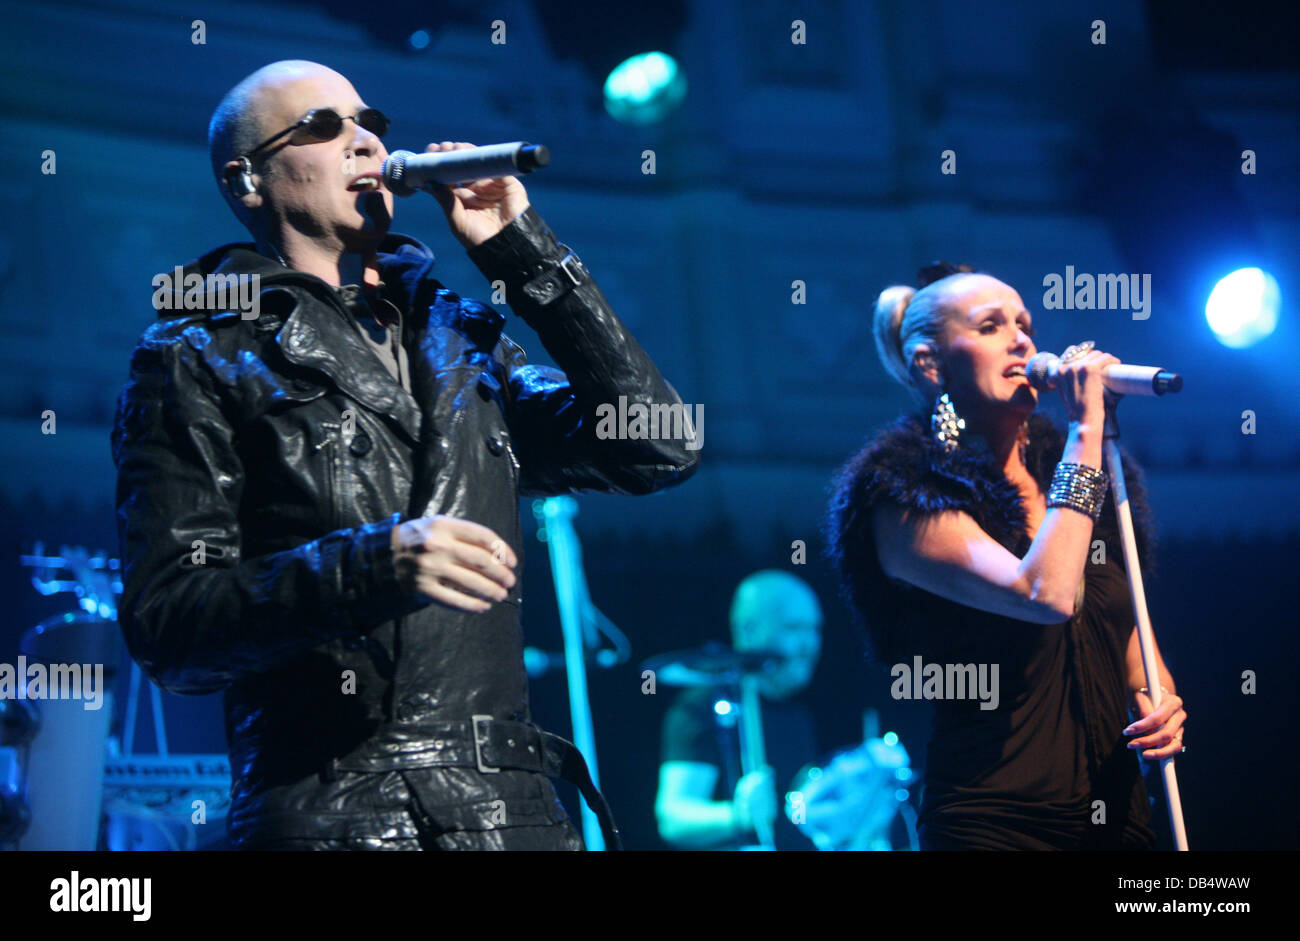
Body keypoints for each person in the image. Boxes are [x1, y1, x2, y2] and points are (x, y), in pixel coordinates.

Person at [111, 60, 699, 851]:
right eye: (324, 126)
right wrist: (374, 564)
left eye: (370, 123)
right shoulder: (197, 355)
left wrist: (522, 255)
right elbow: (170, 626)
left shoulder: (458, 338)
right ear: (248, 180)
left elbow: (658, 445)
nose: (363, 141)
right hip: (337, 819)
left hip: (513, 816)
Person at [825, 262, 1188, 850]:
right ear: (930, 363)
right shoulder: (902, 493)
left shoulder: (1075, 471)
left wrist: (1161, 702)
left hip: (1118, 822)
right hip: (993, 822)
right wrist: (1085, 432)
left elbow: (1128, 635)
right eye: (991, 325)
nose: (1022, 339)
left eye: (1025, 323)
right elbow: (1044, 593)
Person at [655, 570, 822, 850]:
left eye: (815, 629)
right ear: (749, 629)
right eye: (793, 628)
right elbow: (672, 817)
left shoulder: (797, 716)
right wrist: (735, 815)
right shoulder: (701, 707)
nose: (809, 644)